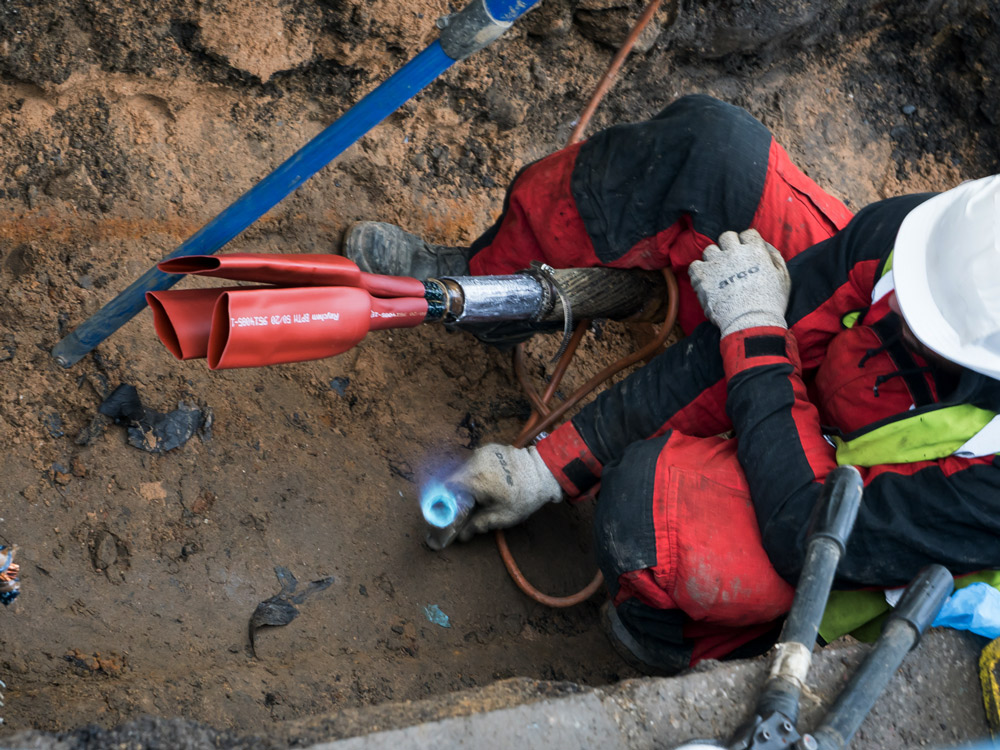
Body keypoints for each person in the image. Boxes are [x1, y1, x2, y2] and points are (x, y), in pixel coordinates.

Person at [344, 95, 1000, 673]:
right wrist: (546, 468)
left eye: (928, 326)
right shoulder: (943, 243)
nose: (906, 311)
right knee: (714, 154)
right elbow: (744, 347)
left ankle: (681, 644)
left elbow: (809, 531)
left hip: (845, 538)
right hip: (809, 396)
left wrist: (753, 328)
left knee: (649, 509)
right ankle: (485, 290)